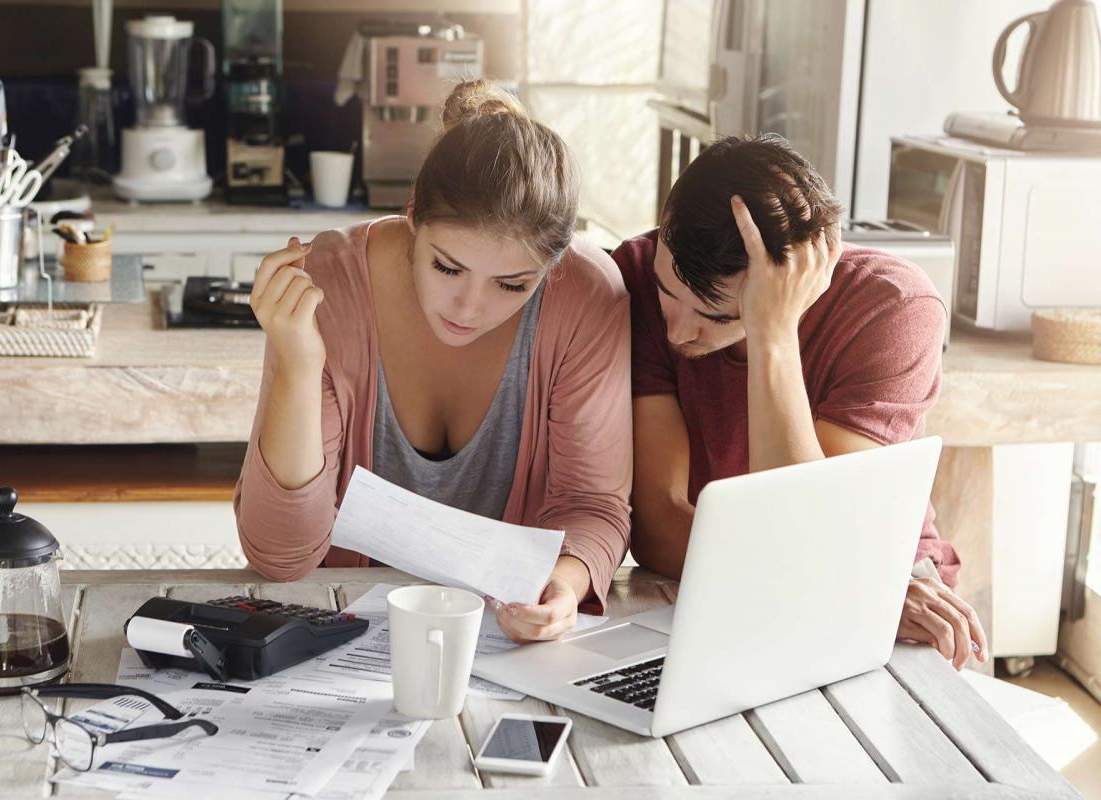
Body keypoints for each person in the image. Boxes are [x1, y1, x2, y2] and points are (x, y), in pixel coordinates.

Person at [234, 80, 632, 643]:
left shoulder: (588, 296)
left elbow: (591, 505)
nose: (469, 309)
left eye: (513, 284)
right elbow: (280, 555)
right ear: (414, 215)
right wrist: (300, 365)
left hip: (503, 646)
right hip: (341, 641)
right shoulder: (328, 284)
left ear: (553, 265)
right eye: (447, 268)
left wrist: (563, 585)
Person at [616, 134, 989, 670]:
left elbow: (817, 529)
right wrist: (818, 578)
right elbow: (658, 524)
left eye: (717, 316)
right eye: (667, 293)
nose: (677, 332)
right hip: (739, 582)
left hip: (887, 587)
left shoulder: (893, 307)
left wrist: (772, 333)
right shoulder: (632, 272)